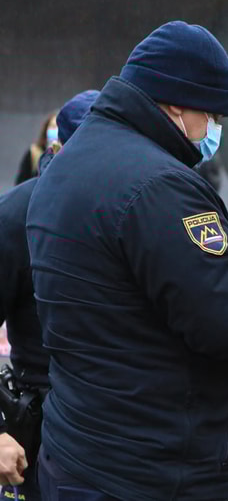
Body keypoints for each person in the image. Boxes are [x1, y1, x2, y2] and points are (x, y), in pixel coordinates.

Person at [26, 21, 228, 500]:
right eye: (214, 116)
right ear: (177, 104)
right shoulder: (160, 185)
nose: (215, 131)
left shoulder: (68, 165)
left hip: (82, 448)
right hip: (148, 465)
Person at [0, 89, 99, 500]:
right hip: (40, 431)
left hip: (123, 435)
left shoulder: (140, 209)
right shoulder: (15, 216)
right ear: (57, 147)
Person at [14, 112, 57, 185]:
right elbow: (20, 183)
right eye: (53, 126)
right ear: (46, 129)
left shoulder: (67, 154)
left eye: (58, 126)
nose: (56, 130)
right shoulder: (34, 152)